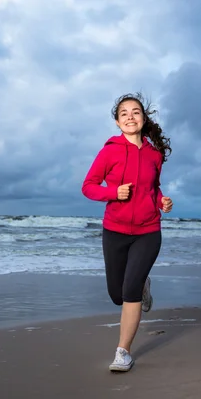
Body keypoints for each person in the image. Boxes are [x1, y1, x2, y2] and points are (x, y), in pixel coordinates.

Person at [82, 93, 173, 372]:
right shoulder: (109, 150)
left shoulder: (154, 154)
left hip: (148, 230)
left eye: (135, 112)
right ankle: (143, 285)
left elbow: (153, 188)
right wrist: (113, 192)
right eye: (124, 113)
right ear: (117, 121)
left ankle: (123, 352)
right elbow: (89, 186)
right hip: (115, 230)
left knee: (129, 291)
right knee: (116, 294)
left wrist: (161, 201)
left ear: (143, 119)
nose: (130, 117)